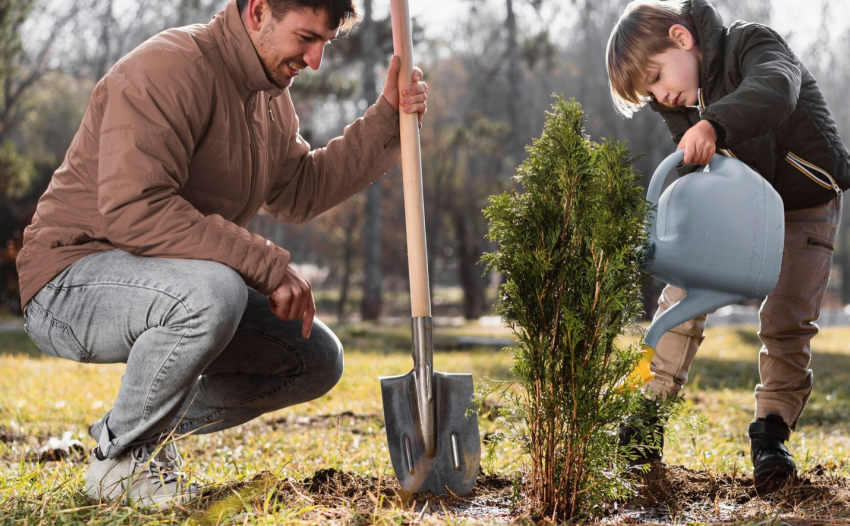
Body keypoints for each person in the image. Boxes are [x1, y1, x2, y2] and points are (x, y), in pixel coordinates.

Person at [16, 0, 428, 508]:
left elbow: (301, 190)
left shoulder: (269, 101)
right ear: (258, 11)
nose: (316, 59)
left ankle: (129, 430)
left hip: (164, 282)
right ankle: (119, 461)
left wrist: (387, 117)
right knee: (216, 291)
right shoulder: (168, 68)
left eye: (325, 42)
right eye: (306, 38)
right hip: (67, 282)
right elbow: (133, 210)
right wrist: (266, 265)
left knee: (313, 358)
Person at [606, 0, 850, 492]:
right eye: (649, 91)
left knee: (787, 319)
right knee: (683, 294)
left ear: (681, 37)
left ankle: (771, 436)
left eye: (656, 76)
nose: (661, 95)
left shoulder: (751, 44)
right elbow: (699, 171)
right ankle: (648, 414)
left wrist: (714, 124)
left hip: (805, 201)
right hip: (741, 210)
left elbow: (777, 89)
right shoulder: (679, 101)